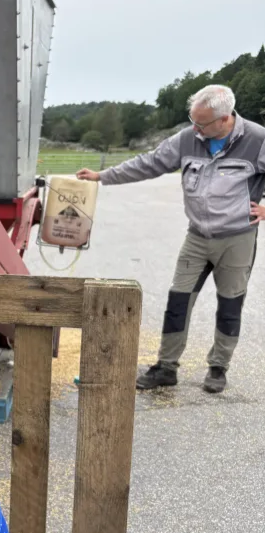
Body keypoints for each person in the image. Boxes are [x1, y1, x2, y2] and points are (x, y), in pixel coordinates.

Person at [77, 84, 265, 393]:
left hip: (237, 238)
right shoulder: (188, 138)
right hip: (197, 236)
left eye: (201, 123)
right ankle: (166, 367)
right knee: (178, 301)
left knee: (230, 304)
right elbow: (148, 163)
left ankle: (219, 368)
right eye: (193, 120)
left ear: (224, 119)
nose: (195, 128)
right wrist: (103, 176)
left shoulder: (257, 140)